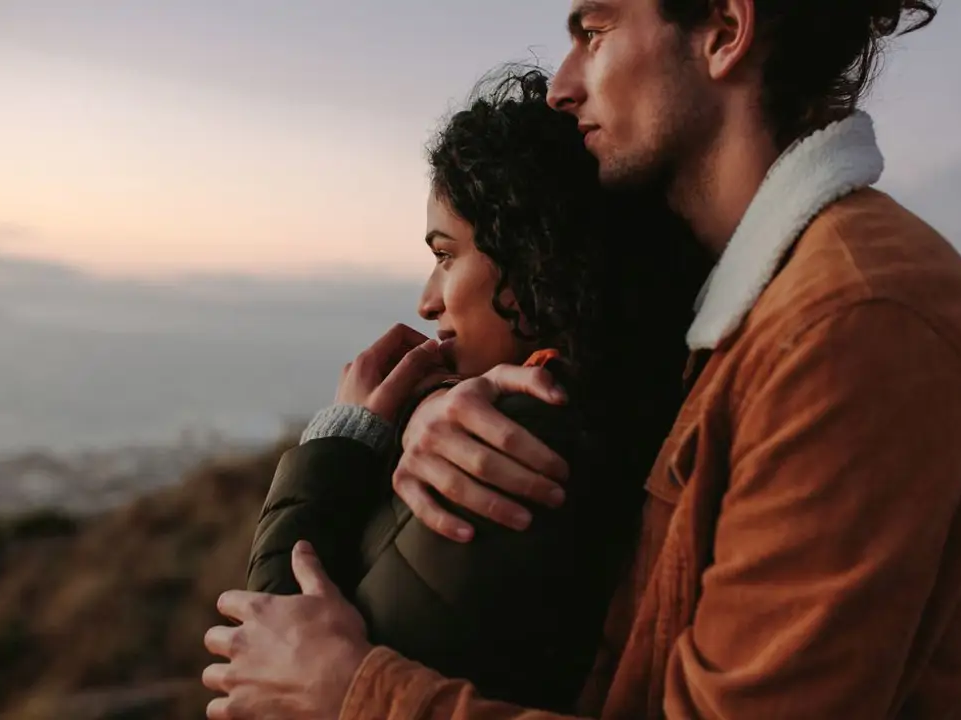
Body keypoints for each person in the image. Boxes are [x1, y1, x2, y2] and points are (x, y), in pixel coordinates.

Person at [202, 1, 961, 718]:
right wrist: (442, 405)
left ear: (724, 31)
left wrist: (358, 697)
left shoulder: (854, 327)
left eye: (595, 30)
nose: (564, 86)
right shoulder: (748, 307)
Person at [240, 68, 709, 713]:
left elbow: (269, 653)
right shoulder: (621, 400)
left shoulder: (519, 440)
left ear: (535, 258)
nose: (427, 300)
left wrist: (341, 437)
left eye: (446, 255)